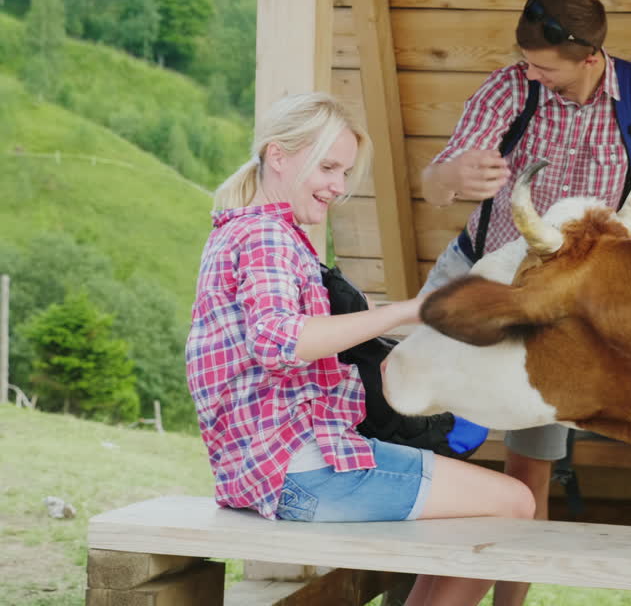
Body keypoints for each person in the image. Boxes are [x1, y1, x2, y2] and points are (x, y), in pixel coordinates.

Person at [186, 92, 535, 606]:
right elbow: (279, 341)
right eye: (327, 167)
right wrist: (407, 310)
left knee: (472, 510)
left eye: (345, 172)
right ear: (278, 156)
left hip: (260, 472)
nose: (339, 186)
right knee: (514, 502)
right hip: (300, 471)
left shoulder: (241, 228)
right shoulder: (266, 236)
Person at [418, 0, 631, 606]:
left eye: (545, 67)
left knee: (530, 464)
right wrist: (453, 176)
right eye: (527, 61)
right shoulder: (509, 89)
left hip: (558, 308)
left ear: (590, 57)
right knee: (409, 419)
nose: (531, 73)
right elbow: (433, 183)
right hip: (478, 279)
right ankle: (402, 570)